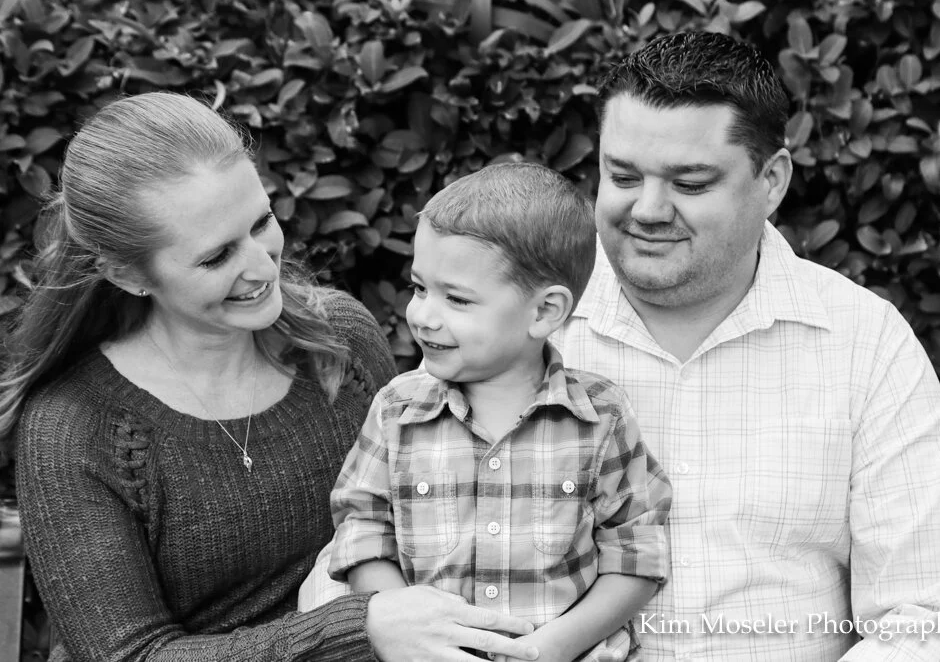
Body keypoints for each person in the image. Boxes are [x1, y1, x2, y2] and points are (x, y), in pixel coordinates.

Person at [1, 92, 543, 662]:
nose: (262, 266)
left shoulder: (342, 342)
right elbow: (128, 655)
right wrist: (358, 629)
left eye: (261, 222)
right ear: (126, 273)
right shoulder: (73, 428)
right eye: (216, 257)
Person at [550, 31, 940, 660]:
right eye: (622, 176)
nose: (647, 209)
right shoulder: (525, 323)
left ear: (772, 181)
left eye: (691, 183)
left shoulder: (863, 343)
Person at [324, 163, 673, 661]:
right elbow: (362, 533)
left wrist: (551, 647)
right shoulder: (397, 411)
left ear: (544, 312)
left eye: (457, 299)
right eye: (419, 288)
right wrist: (412, 632)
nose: (422, 315)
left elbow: (636, 555)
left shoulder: (601, 417)